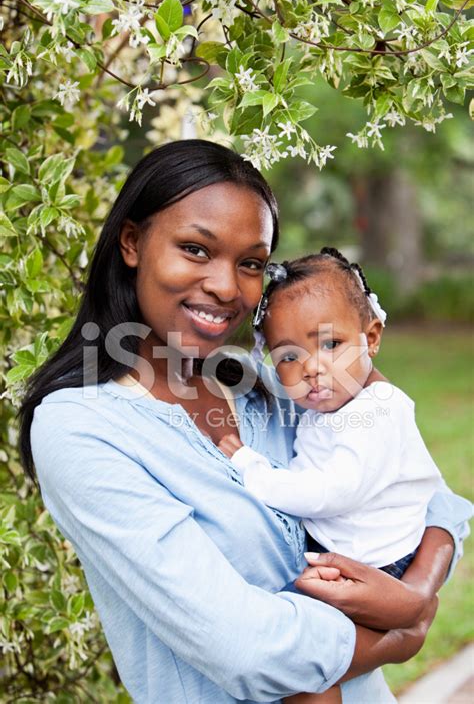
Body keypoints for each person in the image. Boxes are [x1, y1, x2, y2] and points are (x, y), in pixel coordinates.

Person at [19, 140, 471, 704]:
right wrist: (399, 638)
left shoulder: (271, 383)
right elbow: (247, 650)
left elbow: (426, 499)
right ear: (132, 242)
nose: (227, 287)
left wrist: (415, 598)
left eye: (251, 263)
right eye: (195, 249)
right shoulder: (82, 429)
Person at [218, 248, 448, 703]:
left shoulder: (377, 412)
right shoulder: (331, 405)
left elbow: (330, 491)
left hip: (374, 566)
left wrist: (249, 465)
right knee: (308, 661)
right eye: (289, 357)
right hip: (353, 554)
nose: (313, 368)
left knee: (302, 662)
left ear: (372, 336)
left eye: (331, 344)